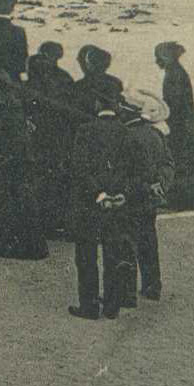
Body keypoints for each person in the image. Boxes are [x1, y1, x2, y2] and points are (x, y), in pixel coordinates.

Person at [68, 76, 134, 321]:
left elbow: (79, 168)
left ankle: (89, 305)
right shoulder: (126, 133)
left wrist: (99, 193)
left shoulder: (85, 131)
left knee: (86, 255)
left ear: (97, 103)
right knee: (113, 254)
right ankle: (112, 306)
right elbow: (132, 169)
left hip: (89, 202)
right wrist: (120, 194)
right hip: (118, 204)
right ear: (116, 105)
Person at [0, 71, 48, 260]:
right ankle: (32, 246)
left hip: (5, 157)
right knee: (23, 199)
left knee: (6, 201)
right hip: (20, 156)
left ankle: (10, 245)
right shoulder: (13, 100)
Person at [25, 42, 82, 237]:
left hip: (41, 135)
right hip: (62, 135)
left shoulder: (35, 79)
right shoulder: (65, 78)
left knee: (42, 176)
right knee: (59, 176)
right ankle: (60, 219)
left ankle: (45, 220)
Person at [119, 96, 172, 300]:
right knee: (148, 240)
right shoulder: (155, 135)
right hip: (150, 199)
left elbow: (124, 174)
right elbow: (168, 164)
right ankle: (152, 286)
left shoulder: (124, 137)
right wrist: (159, 186)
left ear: (128, 112)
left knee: (126, 243)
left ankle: (127, 292)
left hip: (131, 197)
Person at [154, 42, 194, 209]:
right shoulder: (176, 71)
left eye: (158, 57)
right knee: (193, 159)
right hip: (186, 123)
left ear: (167, 57)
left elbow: (175, 102)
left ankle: (184, 198)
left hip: (182, 124)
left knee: (183, 158)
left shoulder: (174, 74)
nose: (156, 61)